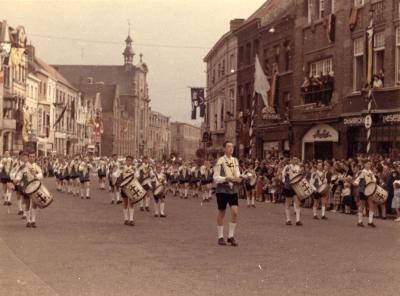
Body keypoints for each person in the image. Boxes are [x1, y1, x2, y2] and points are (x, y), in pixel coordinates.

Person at [213, 141, 244, 247]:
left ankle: (230, 236)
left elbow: (237, 174)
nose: (231, 149)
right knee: (222, 212)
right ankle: (220, 237)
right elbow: (216, 178)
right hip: (222, 190)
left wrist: (242, 177)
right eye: (229, 147)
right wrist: (226, 178)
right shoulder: (220, 161)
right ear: (224, 149)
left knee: (235, 212)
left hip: (232, 190)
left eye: (232, 147)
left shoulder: (235, 160)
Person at [282, 157, 303, 226]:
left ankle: (298, 220)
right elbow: (283, 175)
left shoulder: (299, 167)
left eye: (296, 160)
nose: (295, 161)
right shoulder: (287, 167)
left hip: (296, 186)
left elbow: (301, 176)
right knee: (288, 203)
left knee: (297, 202)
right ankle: (288, 219)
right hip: (288, 186)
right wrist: (287, 176)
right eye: (293, 159)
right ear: (291, 161)